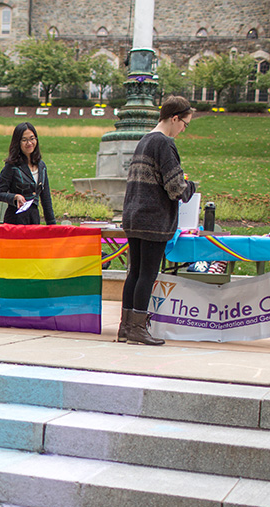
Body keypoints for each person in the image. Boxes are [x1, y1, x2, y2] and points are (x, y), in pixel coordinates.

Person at [119, 95, 197, 346]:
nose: (184, 129)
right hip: (153, 218)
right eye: (185, 123)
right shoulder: (164, 143)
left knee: (135, 273)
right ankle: (138, 328)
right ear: (174, 118)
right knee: (147, 274)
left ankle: (126, 326)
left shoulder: (144, 140)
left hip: (133, 215)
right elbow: (175, 187)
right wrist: (191, 187)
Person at [0, 122, 56, 225]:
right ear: (18, 142)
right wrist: (15, 197)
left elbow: (46, 199)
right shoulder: (11, 166)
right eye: (24, 140)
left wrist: (52, 225)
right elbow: (0, 193)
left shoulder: (41, 166)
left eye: (32, 139)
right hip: (15, 220)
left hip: (34, 219)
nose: (29, 143)